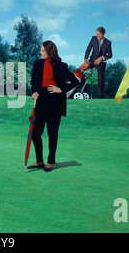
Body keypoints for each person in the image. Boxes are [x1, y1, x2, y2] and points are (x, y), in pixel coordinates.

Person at [28, 41, 79, 172]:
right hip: (40, 101)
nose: (40, 52)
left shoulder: (61, 66)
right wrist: (33, 92)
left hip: (54, 102)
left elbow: (75, 81)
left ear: (50, 51)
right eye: (41, 50)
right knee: (35, 133)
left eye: (43, 50)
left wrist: (60, 89)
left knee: (52, 133)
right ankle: (39, 161)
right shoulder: (37, 64)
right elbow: (33, 82)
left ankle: (50, 161)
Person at [84, 27, 112, 98]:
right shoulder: (93, 39)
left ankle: (100, 98)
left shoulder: (108, 43)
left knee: (101, 80)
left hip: (101, 63)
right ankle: (84, 92)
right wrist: (85, 59)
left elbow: (110, 55)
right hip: (92, 61)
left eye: (99, 34)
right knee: (81, 72)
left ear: (103, 34)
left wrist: (102, 58)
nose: (97, 36)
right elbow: (88, 49)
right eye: (97, 34)